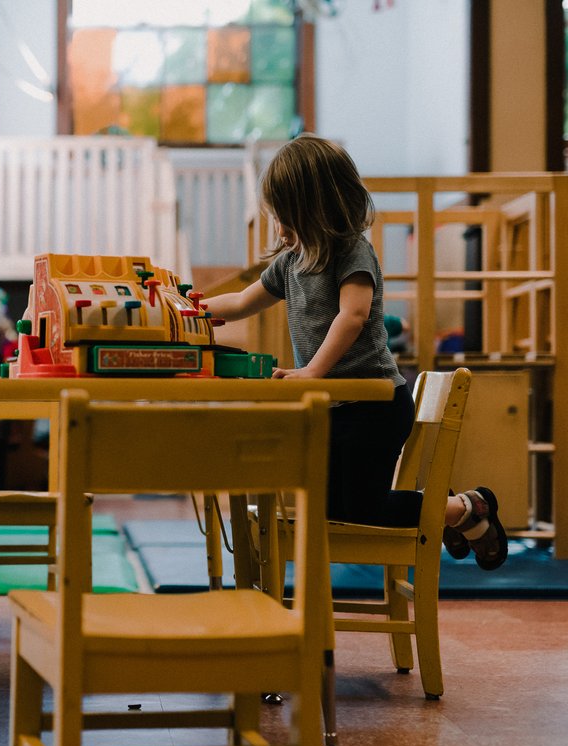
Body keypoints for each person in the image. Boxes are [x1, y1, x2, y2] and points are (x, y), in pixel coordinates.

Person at [202, 134, 507, 570]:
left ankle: (461, 509)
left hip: (375, 407)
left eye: (283, 216)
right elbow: (241, 302)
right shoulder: (291, 261)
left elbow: (354, 315)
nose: (278, 227)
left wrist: (312, 373)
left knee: (361, 512)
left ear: (313, 210)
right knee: (333, 514)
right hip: (336, 409)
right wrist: (188, 307)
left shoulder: (351, 251)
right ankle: (465, 516)